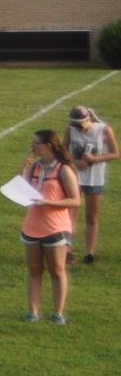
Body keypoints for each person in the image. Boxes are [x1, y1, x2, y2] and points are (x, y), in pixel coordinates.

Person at [19, 129, 82, 324]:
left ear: (47, 146)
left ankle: (58, 313)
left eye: (36, 143)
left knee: (57, 270)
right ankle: (33, 312)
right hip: (32, 226)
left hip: (55, 227)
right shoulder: (36, 167)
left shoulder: (63, 170)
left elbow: (75, 201)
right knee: (34, 269)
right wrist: (25, 169)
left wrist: (49, 203)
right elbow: (23, 190)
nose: (33, 147)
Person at [65, 105, 113, 265]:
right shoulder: (71, 130)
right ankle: (68, 251)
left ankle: (89, 253)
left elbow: (115, 153)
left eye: (79, 124)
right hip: (74, 178)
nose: (77, 127)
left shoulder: (104, 130)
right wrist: (75, 161)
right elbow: (63, 152)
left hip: (94, 179)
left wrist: (95, 159)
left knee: (92, 216)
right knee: (70, 215)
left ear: (89, 120)